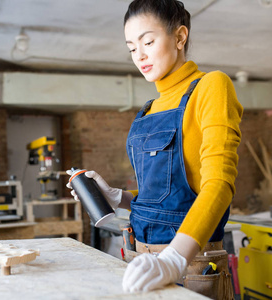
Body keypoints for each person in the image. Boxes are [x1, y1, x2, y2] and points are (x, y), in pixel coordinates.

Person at [67, 0, 243, 298]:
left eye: (148, 41)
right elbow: (165, 196)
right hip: (139, 260)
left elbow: (219, 185)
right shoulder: (148, 110)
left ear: (179, 37)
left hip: (191, 265)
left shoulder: (211, 86)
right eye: (132, 48)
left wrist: (174, 259)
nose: (140, 55)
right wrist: (119, 197)